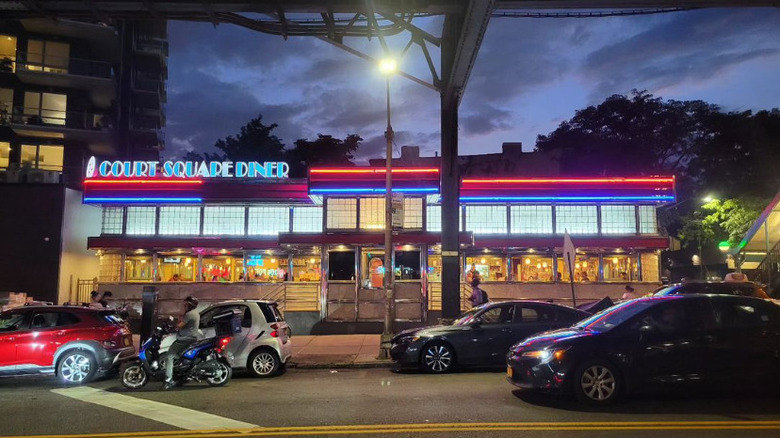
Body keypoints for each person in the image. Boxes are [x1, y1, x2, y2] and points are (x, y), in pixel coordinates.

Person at [163, 296, 201, 389]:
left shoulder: (190, 314)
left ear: (190, 305)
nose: (184, 306)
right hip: (191, 338)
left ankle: (168, 380)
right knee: (179, 356)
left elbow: (179, 326)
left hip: (184, 339)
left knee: (170, 356)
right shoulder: (196, 313)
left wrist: (172, 327)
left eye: (186, 304)